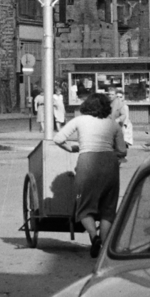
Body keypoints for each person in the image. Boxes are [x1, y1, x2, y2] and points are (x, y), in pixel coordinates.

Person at [51, 91, 127, 257]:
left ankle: (94, 237)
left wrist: (72, 148)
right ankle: (104, 248)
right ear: (106, 107)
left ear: (86, 106)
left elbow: (58, 139)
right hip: (109, 164)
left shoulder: (79, 120)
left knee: (84, 207)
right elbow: (122, 151)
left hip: (87, 163)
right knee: (108, 209)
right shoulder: (113, 125)